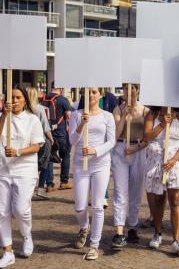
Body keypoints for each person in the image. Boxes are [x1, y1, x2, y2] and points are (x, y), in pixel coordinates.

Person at [0, 86, 44, 268]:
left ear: (24, 100)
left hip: (25, 170)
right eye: (11, 97)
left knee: (21, 209)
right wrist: (4, 115)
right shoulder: (1, 117)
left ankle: (26, 235)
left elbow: (37, 146)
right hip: (1, 170)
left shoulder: (32, 119)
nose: (14, 101)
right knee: (2, 211)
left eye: (18, 97)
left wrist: (18, 151)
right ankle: (8, 251)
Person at [69, 88, 116, 260]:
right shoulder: (76, 115)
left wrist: (95, 150)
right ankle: (84, 227)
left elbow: (111, 141)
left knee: (97, 206)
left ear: (101, 95)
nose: (91, 96)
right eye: (87, 92)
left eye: (94, 92)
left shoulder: (107, 116)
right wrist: (82, 124)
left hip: (100, 164)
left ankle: (94, 245)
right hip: (81, 164)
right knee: (80, 206)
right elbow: (72, 141)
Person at [144, 106, 179, 254]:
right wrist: (163, 124)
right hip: (157, 159)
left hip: (174, 160)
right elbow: (147, 136)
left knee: (175, 199)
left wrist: (174, 159)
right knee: (158, 199)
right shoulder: (152, 114)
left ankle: (176, 240)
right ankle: (157, 233)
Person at [111, 84, 148, 248]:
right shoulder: (117, 109)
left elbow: (148, 137)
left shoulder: (145, 110)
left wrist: (136, 148)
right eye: (125, 89)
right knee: (120, 191)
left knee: (136, 190)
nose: (128, 92)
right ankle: (119, 231)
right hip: (121, 149)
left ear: (137, 90)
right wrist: (124, 115)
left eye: (132, 88)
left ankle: (132, 226)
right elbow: (115, 135)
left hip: (138, 149)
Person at [42, 84, 72, 190]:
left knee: (49, 157)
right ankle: (64, 182)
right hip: (61, 132)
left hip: (47, 133)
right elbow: (69, 116)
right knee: (66, 156)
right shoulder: (63, 100)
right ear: (61, 89)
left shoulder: (44, 98)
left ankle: (49, 184)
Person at [26, 87, 54, 200]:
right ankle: (41, 188)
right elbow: (46, 127)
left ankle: (29, 188)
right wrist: (51, 140)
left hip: (27, 142)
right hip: (41, 141)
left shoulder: (24, 109)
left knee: (29, 164)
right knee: (44, 165)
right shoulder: (39, 109)